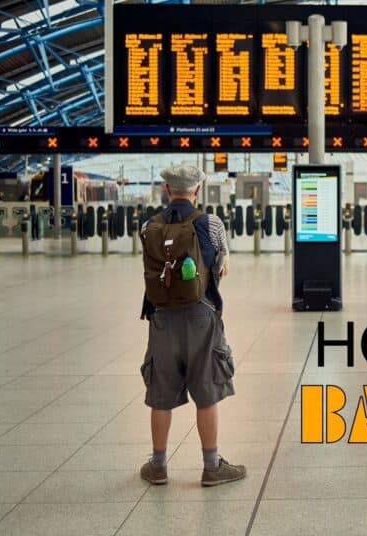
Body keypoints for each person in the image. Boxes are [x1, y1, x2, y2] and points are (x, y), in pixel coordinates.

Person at [137, 164, 244, 487]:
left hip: (161, 317)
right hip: (201, 316)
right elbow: (221, 267)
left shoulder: (149, 226)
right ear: (197, 190)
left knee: (160, 393)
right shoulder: (211, 224)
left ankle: (157, 466)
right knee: (207, 390)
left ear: (167, 190)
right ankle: (211, 466)